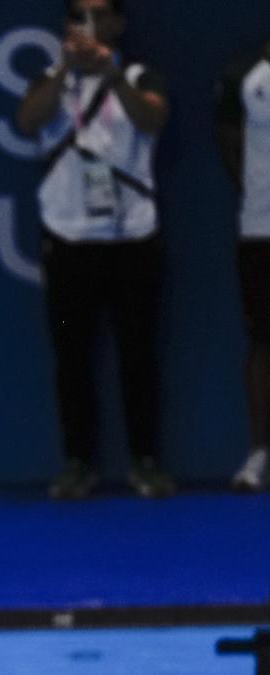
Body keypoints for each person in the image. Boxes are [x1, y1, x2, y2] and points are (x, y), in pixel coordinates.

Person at [15, 0, 174, 499]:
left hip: (132, 236)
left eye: (98, 13)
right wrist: (66, 69)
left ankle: (145, 462)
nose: (87, 23)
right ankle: (78, 463)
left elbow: (150, 121)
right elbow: (27, 121)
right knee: (72, 358)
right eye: (77, 15)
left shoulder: (142, 74)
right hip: (68, 235)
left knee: (138, 354)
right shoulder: (50, 78)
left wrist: (111, 72)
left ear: (117, 24)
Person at [216, 39, 270, 492]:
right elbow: (231, 151)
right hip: (261, 230)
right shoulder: (245, 75)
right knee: (263, 342)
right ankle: (260, 454)